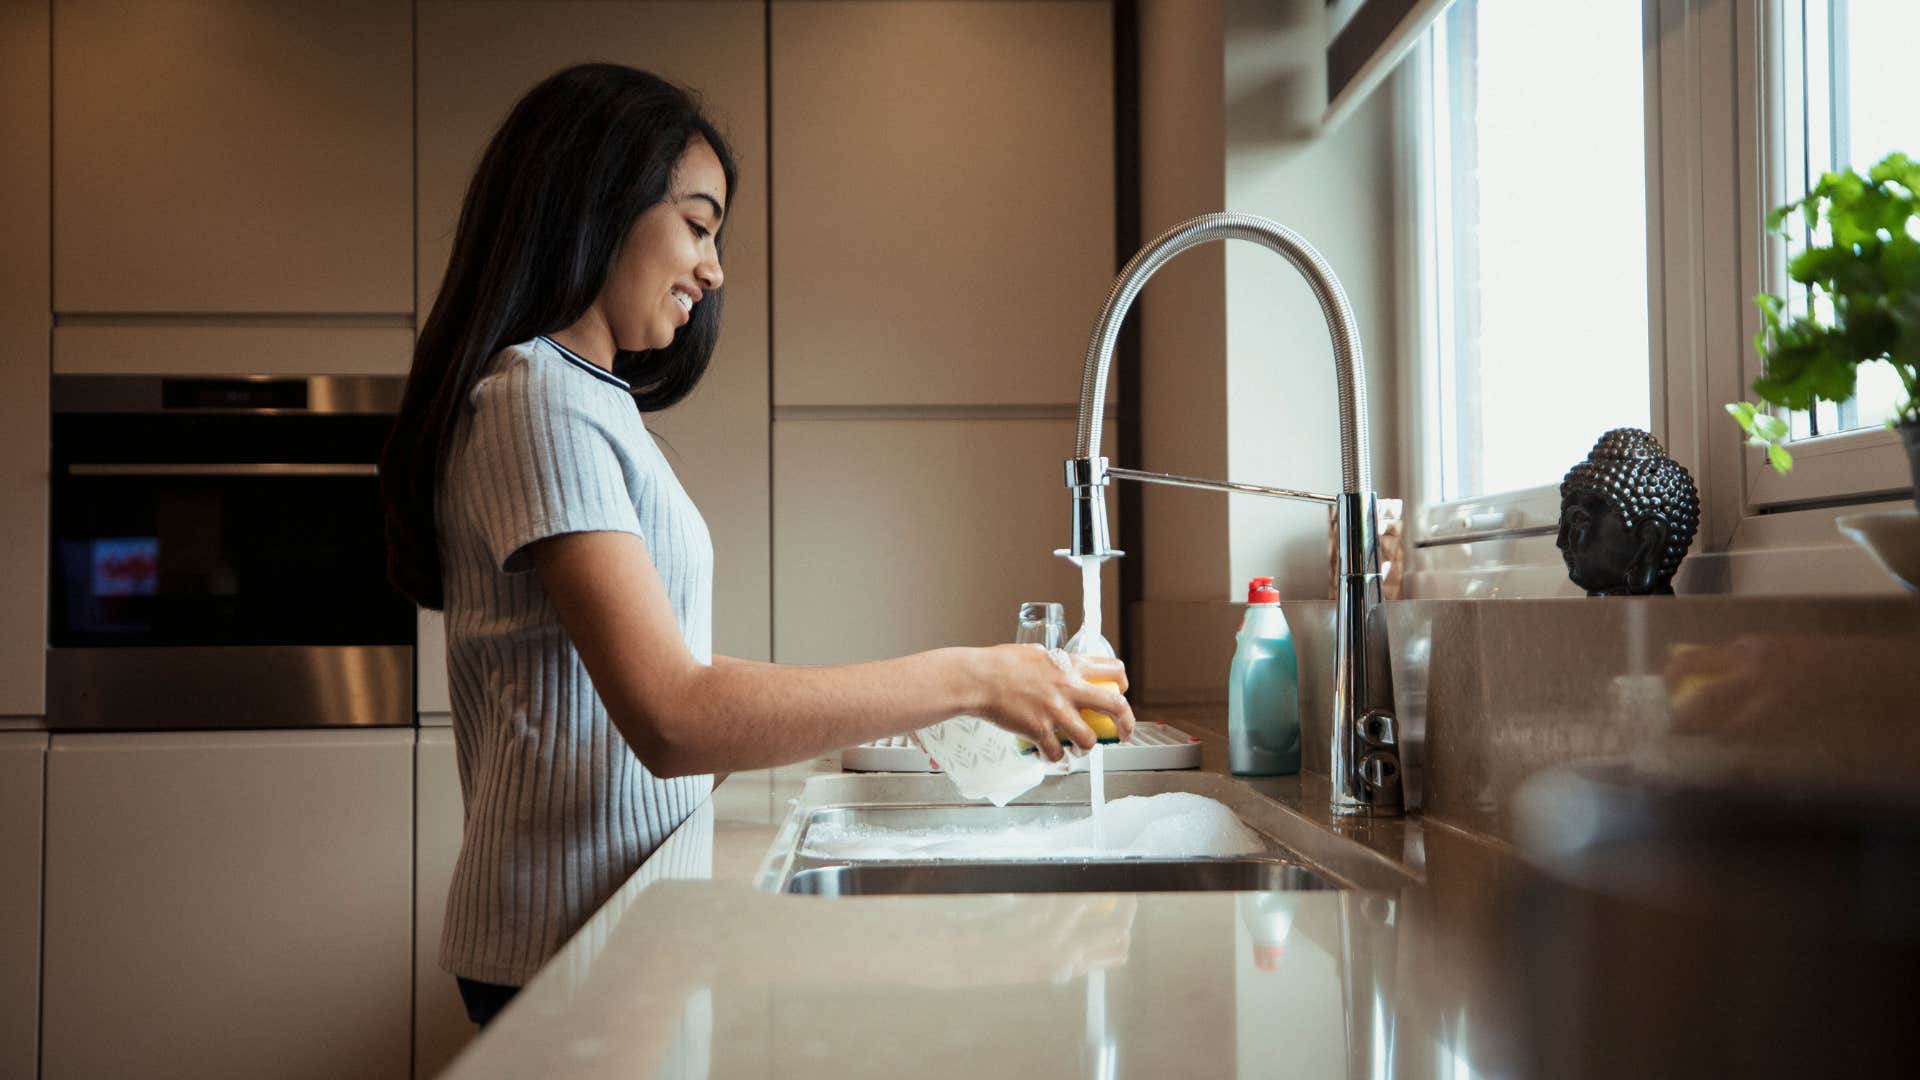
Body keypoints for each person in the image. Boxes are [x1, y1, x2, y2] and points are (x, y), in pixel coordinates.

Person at [377, 63, 1133, 1029]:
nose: (714, 267)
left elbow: (662, 698)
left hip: (613, 922)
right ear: (598, 201)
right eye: (697, 224)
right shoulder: (537, 396)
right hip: (562, 947)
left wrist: (903, 717)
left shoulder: (582, 400)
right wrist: (970, 677)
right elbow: (673, 718)